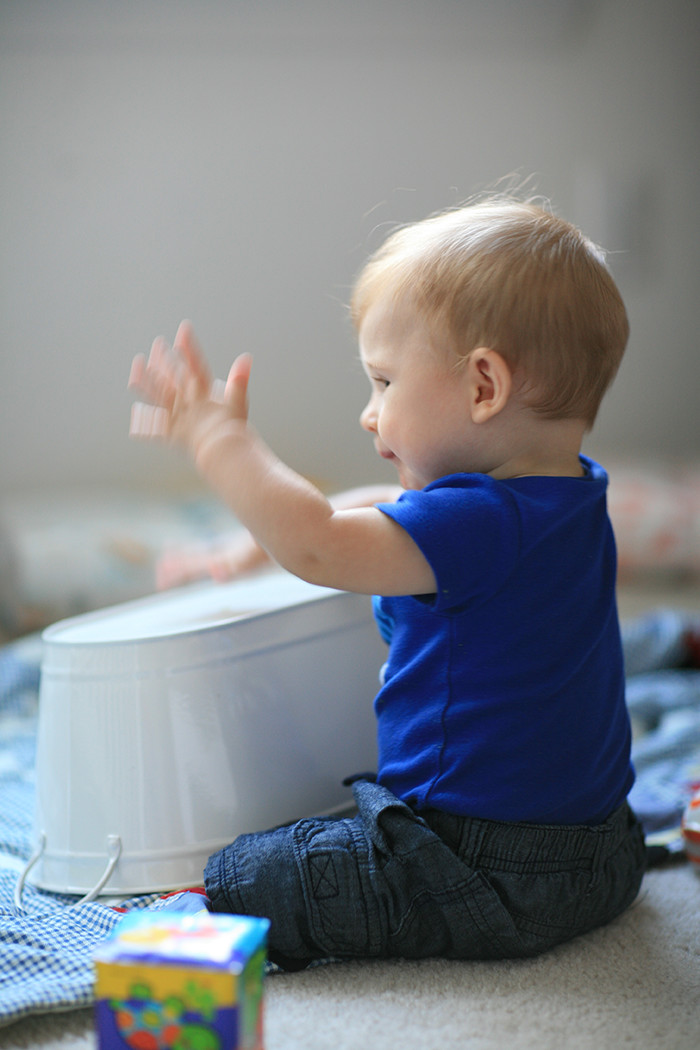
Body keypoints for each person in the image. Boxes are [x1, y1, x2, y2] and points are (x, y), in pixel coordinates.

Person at [128, 196, 646, 969]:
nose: (369, 415)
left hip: (479, 864)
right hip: (607, 852)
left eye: (383, 381)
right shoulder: (570, 495)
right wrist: (246, 550)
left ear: (482, 387)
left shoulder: (479, 526)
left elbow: (317, 546)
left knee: (258, 867)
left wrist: (216, 437)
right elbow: (395, 511)